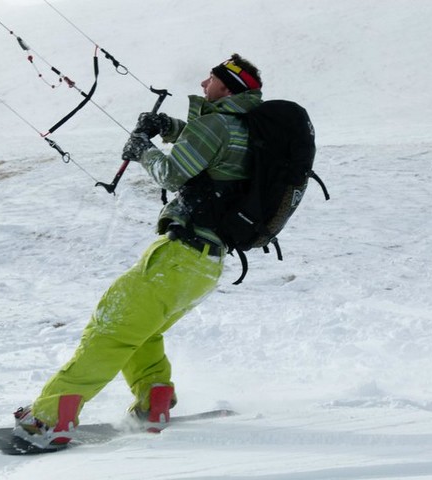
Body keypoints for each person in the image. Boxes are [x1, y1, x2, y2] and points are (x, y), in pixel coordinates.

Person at [13, 53, 263, 446]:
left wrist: (143, 148)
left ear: (228, 88)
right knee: (141, 331)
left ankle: (50, 417)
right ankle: (153, 398)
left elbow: (173, 174)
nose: (203, 84)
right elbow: (209, 149)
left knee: (111, 326)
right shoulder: (242, 127)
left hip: (180, 255)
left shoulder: (217, 124)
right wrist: (168, 127)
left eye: (211, 79)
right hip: (205, 265)